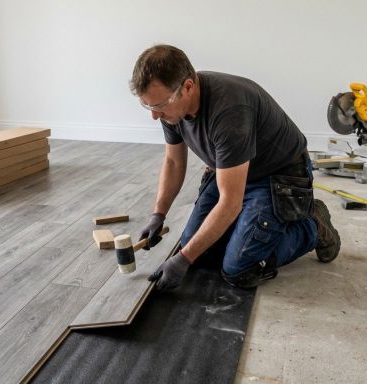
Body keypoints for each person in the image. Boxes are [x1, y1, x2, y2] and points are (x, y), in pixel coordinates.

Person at [130, 44, 340, 290]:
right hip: (231, 173)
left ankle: (313, 226)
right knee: (199, 252)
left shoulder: (229, 110)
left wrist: (183, 259)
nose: (154, 116)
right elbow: (174, 162)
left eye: (159, 106)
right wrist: (158, 215)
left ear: (188, 87)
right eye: (148, 106)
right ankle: (248, 229)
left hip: (278, 177)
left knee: (239, 268)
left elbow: (230, 203)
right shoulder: (171, 108)